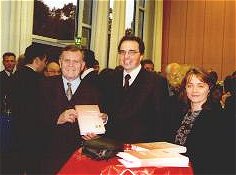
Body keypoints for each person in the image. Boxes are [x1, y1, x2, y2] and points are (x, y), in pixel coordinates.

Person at [40, 45, 103, 174]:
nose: (71, 65)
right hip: (48, 157)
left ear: (82, 65)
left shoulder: (94, 91)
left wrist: (97, 132)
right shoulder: (43, 86)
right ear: (60, 62)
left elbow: (102, 125)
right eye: (67, 60)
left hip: (80, 159)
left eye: (76, 61)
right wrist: (57, 119)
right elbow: (31, 119)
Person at [102, 35, 167, 143]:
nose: (126, 57)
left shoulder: (156, 82)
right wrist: (105, 118)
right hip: (112, 147)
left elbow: (161, 122)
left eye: (131, 52)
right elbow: (109, 112)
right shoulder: (110, 79)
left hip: (141, 150)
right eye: (122, 52)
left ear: (141, 56)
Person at [172, 67, 224, 174]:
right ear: (185, 88)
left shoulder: (219, 118)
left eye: (200, 86)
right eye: (190, 86)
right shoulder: (177, 113)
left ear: (209, 88)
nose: (194, 90)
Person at [9, 44, 47, 174]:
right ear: (37, 60)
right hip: (34, 133)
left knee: (18, 166)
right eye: (44, 61)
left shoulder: (15, 76)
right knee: (34, 168)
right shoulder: (39, 80)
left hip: (16, 130)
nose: (45, 65)